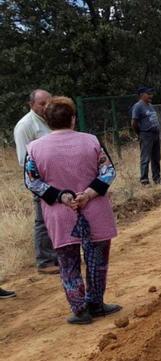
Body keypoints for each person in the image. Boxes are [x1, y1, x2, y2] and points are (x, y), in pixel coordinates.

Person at [24, 97, 121, 325]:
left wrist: (61, 196)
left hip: (60, 212)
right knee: (97, 260)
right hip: (94, 208)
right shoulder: (92, 141)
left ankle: (79, 310)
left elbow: (32, 181)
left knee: (68, 263)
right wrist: (88, 193)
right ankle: (96, 303)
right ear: (73, 119)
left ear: (47, 121)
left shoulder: (35, 148)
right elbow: (108, 172)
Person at [14, 89, 59, 274]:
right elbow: (23, 159)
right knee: (43, 219)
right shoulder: (25, 125)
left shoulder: (51, 119)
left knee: (58, 217)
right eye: (42, 104)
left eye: (48, 102)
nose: (46, 106)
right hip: (40, 180)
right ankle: (45, 260)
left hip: (59, 176)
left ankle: (58, 255)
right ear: (31, 104)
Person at [131, 86, 161, 185]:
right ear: (142, 95)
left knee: (156, 157)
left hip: (155, 134)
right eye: (149, 94)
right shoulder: (138, 106)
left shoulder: (150, 105)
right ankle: (144, 180)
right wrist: (140, 133)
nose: (151, 96)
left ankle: (157, 178)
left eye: (151, 94)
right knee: (145, 157)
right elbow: (134, 123)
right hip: (146, 134)